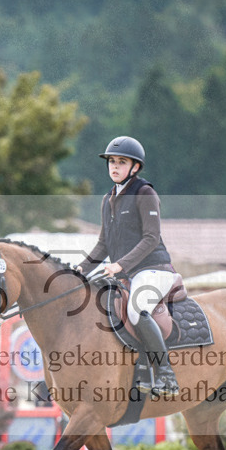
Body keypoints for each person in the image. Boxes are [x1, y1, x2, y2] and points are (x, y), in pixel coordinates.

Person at [76, 135, 180, 397]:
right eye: (111, 161)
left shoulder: (145, 193)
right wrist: (80, 270)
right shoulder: (107, 199)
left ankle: (166, 375)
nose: (114, 166)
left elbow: (151, 238)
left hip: (155, 269)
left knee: (136, 309)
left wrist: (120, 265)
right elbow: (103, 244)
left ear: (135, 167)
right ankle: (140, 370)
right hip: (128, 273)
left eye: (121, 162)